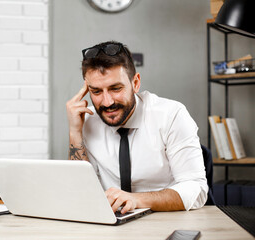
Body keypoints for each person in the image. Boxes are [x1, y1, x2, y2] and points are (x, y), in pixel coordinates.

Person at [66, 41, 208, 214]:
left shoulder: (171, 115)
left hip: (166, 220)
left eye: (115, 88)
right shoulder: (87, 120)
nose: (107, 102)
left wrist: (136, 199)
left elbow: (197, 190)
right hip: (111, 225)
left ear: (136, 83)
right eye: (96, 91)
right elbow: (81, 193)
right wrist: (75, 132)